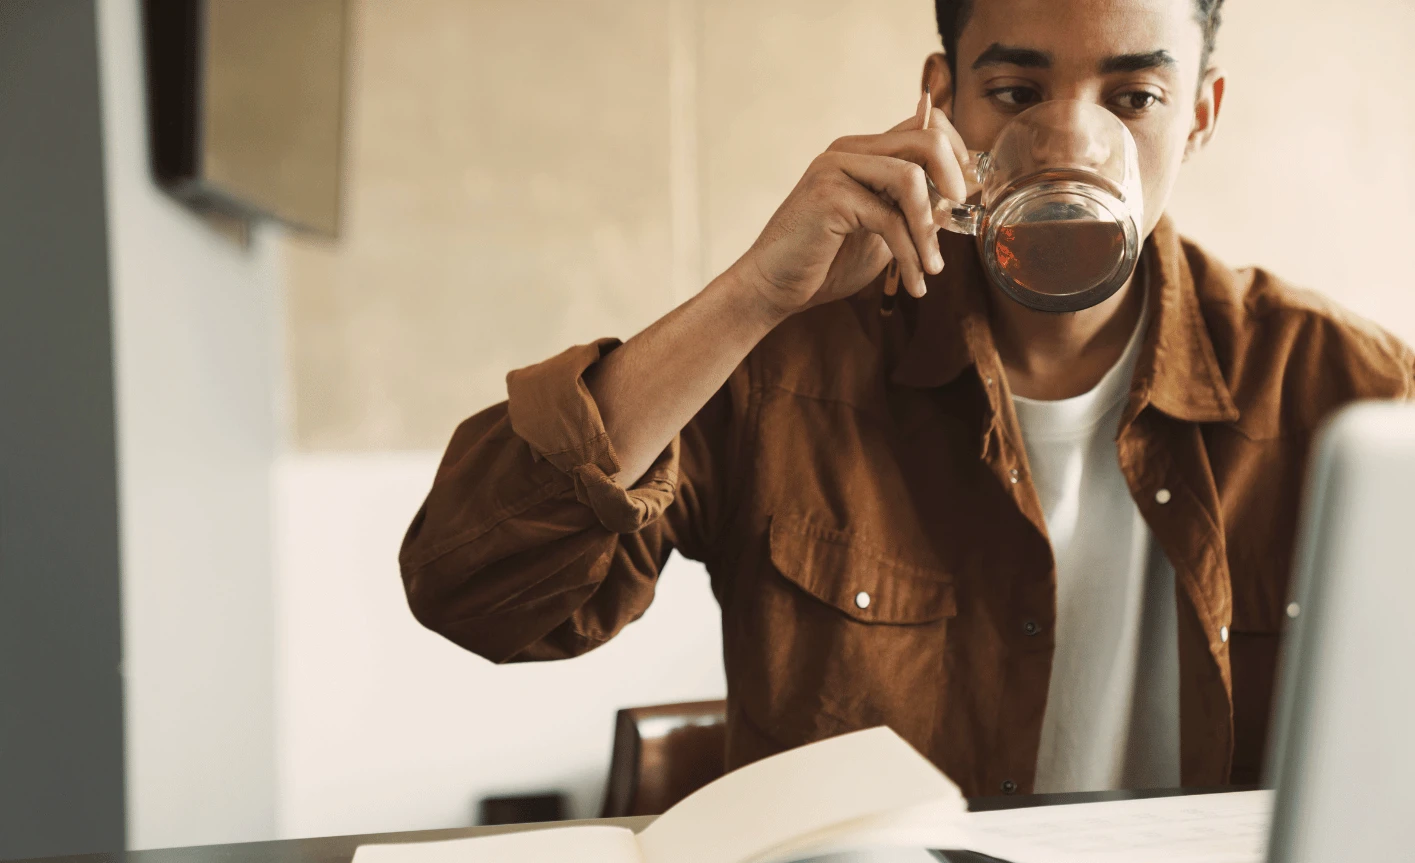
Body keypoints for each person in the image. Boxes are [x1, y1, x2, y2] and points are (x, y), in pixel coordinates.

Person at [398, 0, 1414, 798]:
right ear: (943, 103)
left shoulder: (1342, 387)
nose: (1068, 143)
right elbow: (473, 589)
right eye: (1016, 91)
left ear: (1198, 112)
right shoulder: (789, 364)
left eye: (1131, 98)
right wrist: (750, 294)